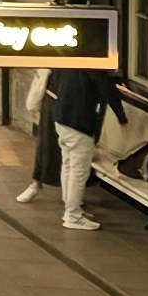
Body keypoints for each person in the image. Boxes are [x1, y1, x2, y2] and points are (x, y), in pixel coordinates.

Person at [50, 56, 111, 229]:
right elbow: (106, 89)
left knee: (68, 164)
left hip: (61, 118)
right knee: (79, 170)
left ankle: (70, 207)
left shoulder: (67, 60)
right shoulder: (93, 65)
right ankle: (73, 215)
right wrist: (121, 116)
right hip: (80, 124)